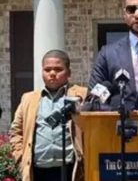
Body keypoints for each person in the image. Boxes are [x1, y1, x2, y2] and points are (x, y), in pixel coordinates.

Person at [9, 50, 88, 181]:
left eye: (58, 69)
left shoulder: (81, 95)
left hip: (71, 169)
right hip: (38, 170)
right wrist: (20, 157)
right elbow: (16, 131)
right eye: (47, 70)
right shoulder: (29, 99)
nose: (52, 74)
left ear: (68, 73)